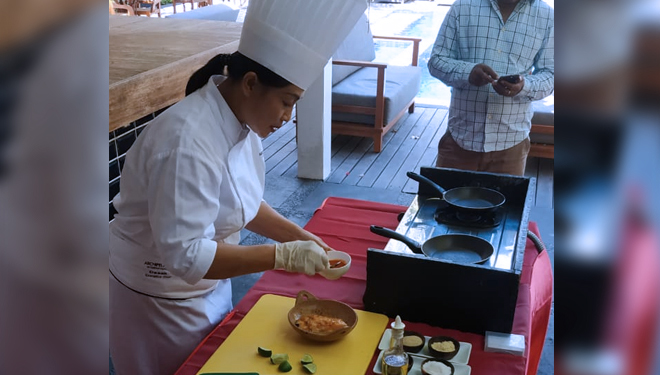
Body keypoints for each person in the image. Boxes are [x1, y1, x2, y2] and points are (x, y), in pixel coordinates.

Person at [108, 1, 367, 374]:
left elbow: (243, 203)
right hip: (159, 300)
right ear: (250, 84)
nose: (287, 117)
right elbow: (187, 257)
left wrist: (302, 238)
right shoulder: (187, 141)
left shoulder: (239, 122)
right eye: (285, 102)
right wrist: (283, 256)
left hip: (209, 287)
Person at [428, 0, 554, 175]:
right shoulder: (463, 7)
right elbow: (436, 61)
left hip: (511, 145)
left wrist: (523, 87)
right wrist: (468, 73)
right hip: (460, 139)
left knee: (508, 203)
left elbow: (551, 74)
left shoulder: (546, 16)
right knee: (446, 202)